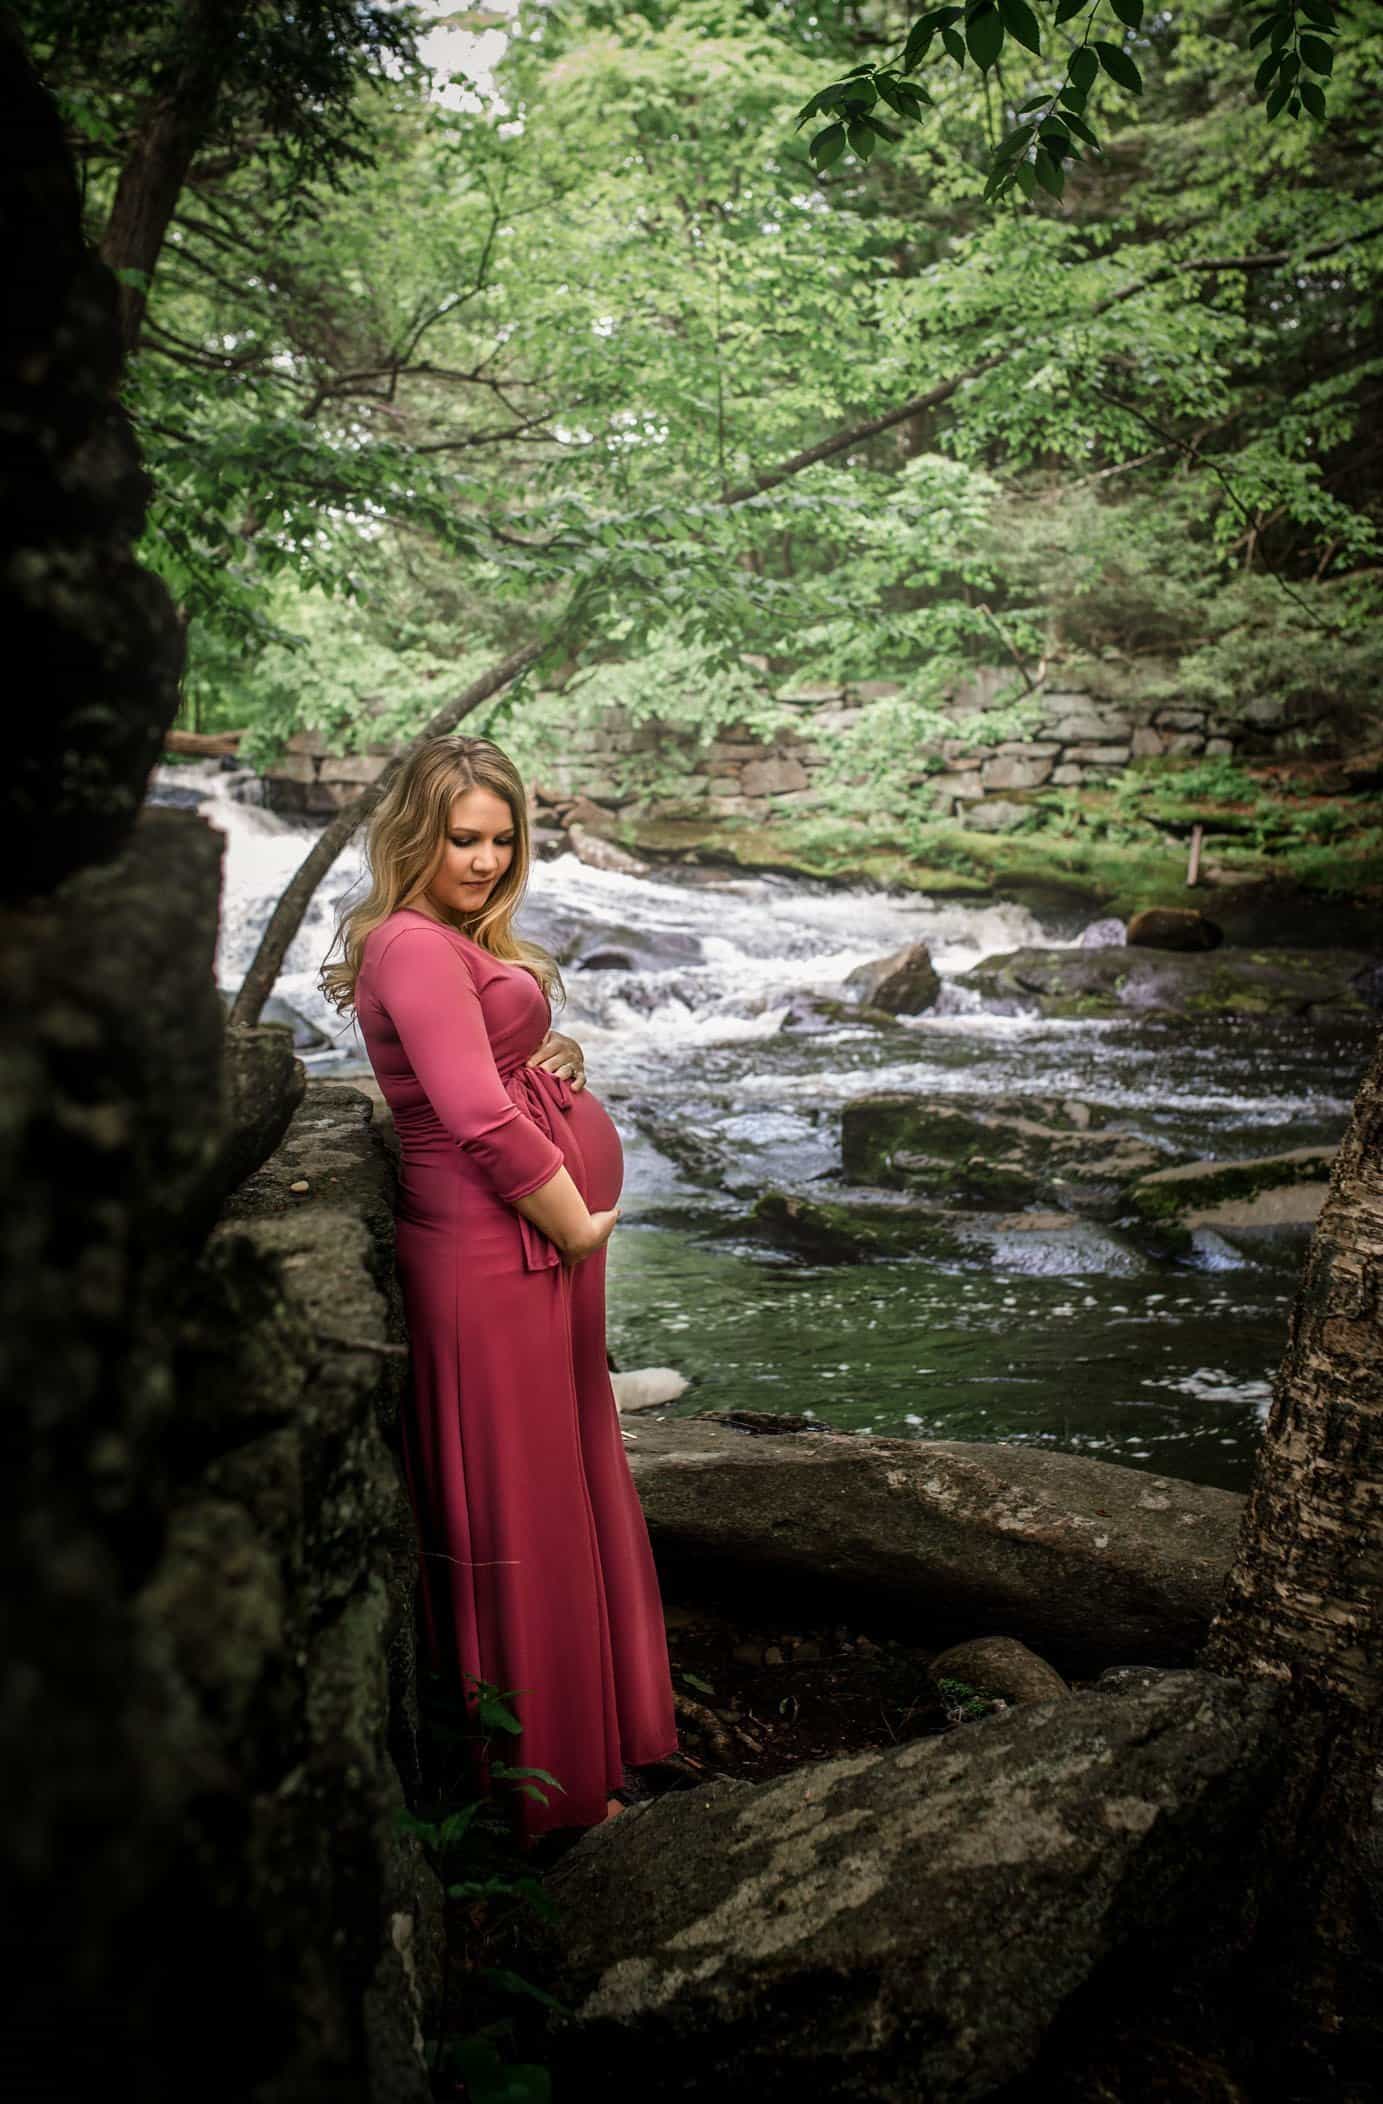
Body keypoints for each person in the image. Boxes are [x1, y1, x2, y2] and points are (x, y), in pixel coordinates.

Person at [321, 733, 679, 1849]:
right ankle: (550, 1796)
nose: (483, 859)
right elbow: (473, 1118)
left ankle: (598, 1745)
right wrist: (580, 1219)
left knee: (565, 1485)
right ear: (414, 839)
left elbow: (484, 1069)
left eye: (502, 837)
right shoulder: (413, 946)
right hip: (498, 1253)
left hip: (530, 1251)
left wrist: (547, 1052)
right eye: (460, 839)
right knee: (519, 1507)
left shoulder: (451, 942)